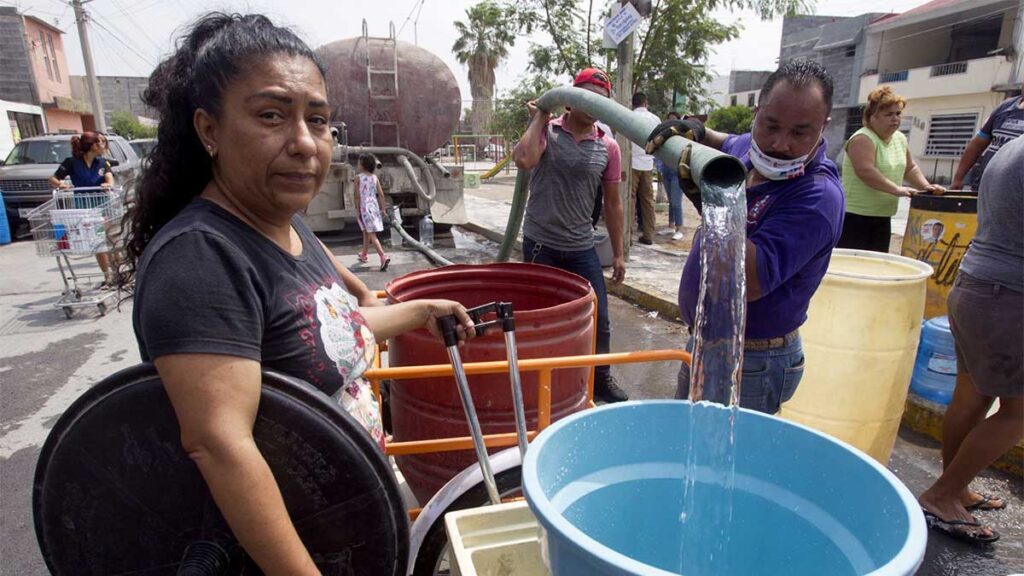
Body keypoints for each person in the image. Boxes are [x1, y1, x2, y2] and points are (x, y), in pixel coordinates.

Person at [120, 14, 479, 575]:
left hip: (345, 530)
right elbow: (221, 446)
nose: (305, 143)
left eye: (319, 120)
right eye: (271, 116)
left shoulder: (287, 226)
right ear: (208, 129)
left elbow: (328, 332)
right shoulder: (202, 258)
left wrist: (420, 311)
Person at [650, 59, 845, 414]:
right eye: (770, 125)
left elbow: (749, 280)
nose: (779, 144)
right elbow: (728, 141)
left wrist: (713, 207)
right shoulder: (750, 150)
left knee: (728, 463)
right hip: (705, 340)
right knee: (686, 447)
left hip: (754, 359)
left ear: (823, 127)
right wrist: (696, 131)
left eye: (800, 132)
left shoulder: (817, 197)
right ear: (757, 114)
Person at [918, 135, 1024, 546]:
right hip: (1010, 295)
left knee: (972, 394)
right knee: (1017, 411)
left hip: (977, 284)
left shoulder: (1012, 145)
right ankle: (942, 495)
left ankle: (955, 486)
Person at [513, 67, 629, 403]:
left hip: (580, 246)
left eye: (602, 99)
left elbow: (613, 204)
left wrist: (619, 253)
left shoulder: (608, 147)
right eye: (587, 96)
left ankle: (601, 377)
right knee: (539, 317)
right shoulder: (547, 131)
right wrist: (540, 117)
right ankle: (536, 379)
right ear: (570, 100)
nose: (594, 104)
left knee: (600, 315)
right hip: (541, 244)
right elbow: (524, 159)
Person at [838, 86, 944, 253]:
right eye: (889, 114)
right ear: (873, 118)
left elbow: (910, 168)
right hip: (856, 217)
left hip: (882, 215)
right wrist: (897, 189)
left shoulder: (899, 138)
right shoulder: (862, 138)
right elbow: (865, 171)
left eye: (897, 114)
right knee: (852, 266)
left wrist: (925, 187)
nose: (895, 119)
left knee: (876, 268)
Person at [48, 131, 117, 287]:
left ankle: (116, 270)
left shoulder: (102, 162)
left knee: (108, 239)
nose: (103, 145)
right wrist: (61, 184)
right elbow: (53, 178)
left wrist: (108, 184)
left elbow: (109, 177)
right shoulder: (71, 162)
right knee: (97, 241)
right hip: (84, 209)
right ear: (91, 146)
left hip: (102, 206)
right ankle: (108, 276)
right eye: (100, 142)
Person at [952, 90, 1024, 191]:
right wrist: (958, 178)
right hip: (983, 189)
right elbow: (977, 144)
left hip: (1015, 196)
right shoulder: (1005, 107)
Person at [630, 92, 659, 245]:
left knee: (630, 199)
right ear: (645, 103)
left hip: (632, 162)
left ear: (633, 103)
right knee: (647, 201)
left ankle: (627, 235)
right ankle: (648, 234)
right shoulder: (655, 119)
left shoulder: (629, 116)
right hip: (648, 162)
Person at [353, 153, 389, 271]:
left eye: (359, 162)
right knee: (366, 231)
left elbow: (357, 196)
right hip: (373, 207)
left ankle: (383, 256)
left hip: (364, 208)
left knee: (371, 234)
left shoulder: (358, 177)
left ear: (363, 165)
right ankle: (364, 254)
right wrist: (383, 208)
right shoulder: (374, 177)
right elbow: (381, 194)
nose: (357, 165)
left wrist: (357, 209)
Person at [655, 111, 684, 241]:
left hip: (677, 172)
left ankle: (679, 228)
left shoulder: (682, 136)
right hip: (666, 170)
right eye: (669, 119)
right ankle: (671, 226)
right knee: (671, 201)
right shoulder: (663, 135)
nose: (670, 122)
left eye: (674, 119)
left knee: (676, 202)